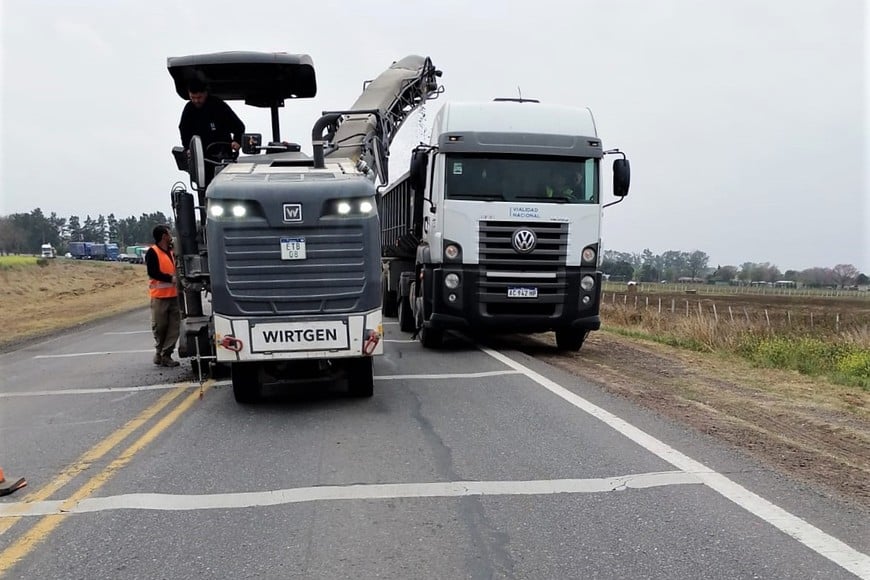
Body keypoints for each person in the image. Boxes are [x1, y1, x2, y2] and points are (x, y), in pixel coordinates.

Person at [178, 78, 246, 183]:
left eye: (199, 97)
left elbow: (239, 126)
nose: (196, 101)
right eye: (193, 97)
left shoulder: (218, 106)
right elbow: (183, 131)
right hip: (202, 161)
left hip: (222, 160)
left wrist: (237, 141)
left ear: (205, 93)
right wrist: (188, 148)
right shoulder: (189, 110)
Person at [145, 225, 181, 368]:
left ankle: (166, 355)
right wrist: (170, 279)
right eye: (168, 233)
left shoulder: (172, 251)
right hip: (160, 297)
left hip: (174, 296)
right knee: (160, 327)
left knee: (174, 327)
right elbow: (152, 272)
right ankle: (159, 351)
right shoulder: (152, 252)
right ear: (163, 236)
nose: (171, 235)